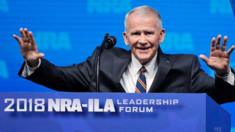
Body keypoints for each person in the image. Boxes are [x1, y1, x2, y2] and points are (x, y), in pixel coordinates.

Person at [13, 5, 235, 104]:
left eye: (149, 33)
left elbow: (223, 96)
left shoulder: (186, 66)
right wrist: (34, 63)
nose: (142, 40)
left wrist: (224, 74)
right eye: (135, 33)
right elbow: (61, 78)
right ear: (126, 37)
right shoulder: (102, 61)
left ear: (161, 36)